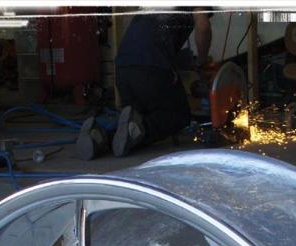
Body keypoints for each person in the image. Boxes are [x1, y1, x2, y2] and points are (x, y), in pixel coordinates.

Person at [76, 9, 212, 159]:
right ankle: (139, 130)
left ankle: (100, 137)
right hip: (150, 66)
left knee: (136, 120)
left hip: (123, 70)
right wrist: (202, 61)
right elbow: (203, 26)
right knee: (179, 115)